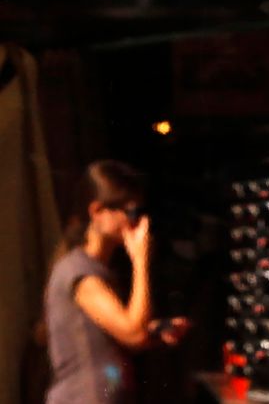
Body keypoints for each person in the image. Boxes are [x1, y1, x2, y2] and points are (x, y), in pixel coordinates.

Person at [44, 160, 189, 404]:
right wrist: (141, 261)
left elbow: (119, 335)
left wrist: (156, 331)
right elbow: (133, 334)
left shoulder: (98, 270)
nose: (138, 223)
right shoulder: (79, 272)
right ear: (98, 211)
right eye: (130, 212)